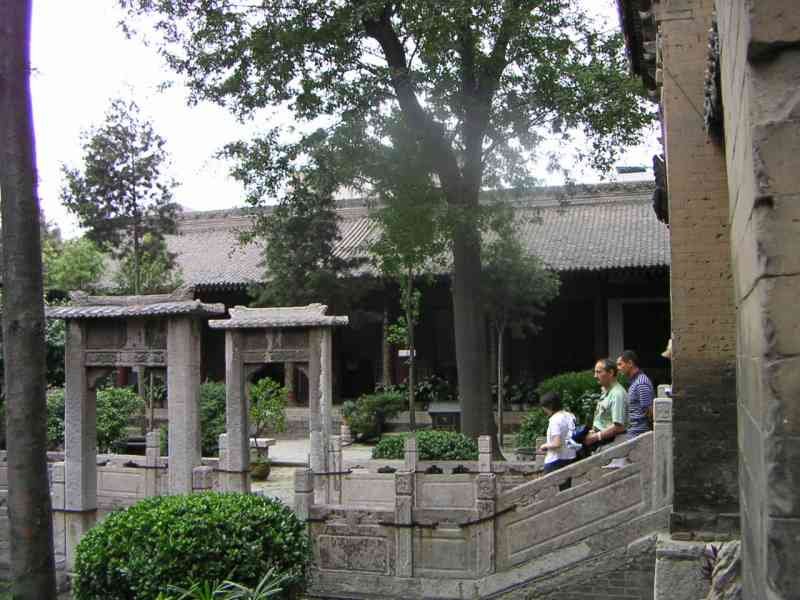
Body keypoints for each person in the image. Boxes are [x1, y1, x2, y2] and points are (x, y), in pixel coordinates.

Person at [583, 358, 627, 448]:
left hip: (609, 444)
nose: (595, 376)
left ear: (610, 373)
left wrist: (596, 437)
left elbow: (619, 426)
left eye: (599, 372)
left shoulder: (617, 394)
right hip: (600, 442)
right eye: (595, 372)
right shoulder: (607, 391)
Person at [538, 391, 577, 475]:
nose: (544, 410)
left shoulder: (555, 420)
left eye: (544, 407)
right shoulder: (570, 416)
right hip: (570, 457)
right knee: (566, 487)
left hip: (555, 461)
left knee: (545, 486)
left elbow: (557, 443)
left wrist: (544, 446)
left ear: (549, 406)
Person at [617, 349, 655, 436]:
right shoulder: (635, 381)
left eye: (620, 364)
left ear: (630, 363)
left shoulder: (641, 383)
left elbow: (650, 413)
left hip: (638, 434)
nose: (618, 368)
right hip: (632, 432)